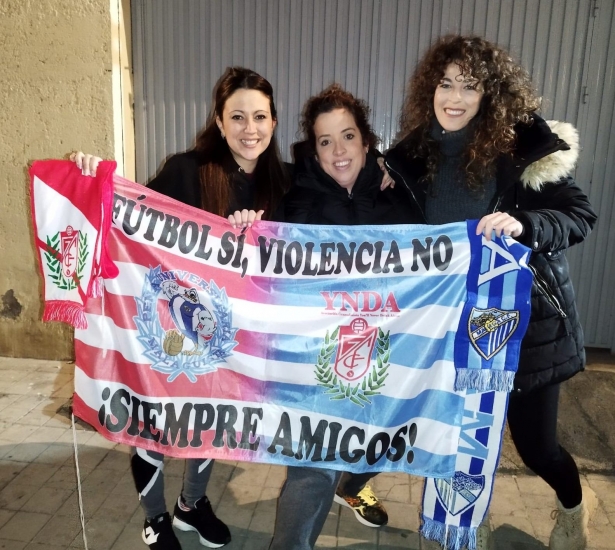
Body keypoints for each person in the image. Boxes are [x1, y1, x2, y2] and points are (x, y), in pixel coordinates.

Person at [384, 35, 598, 550]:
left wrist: (524, 224)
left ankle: (574, 510)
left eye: (470, 86)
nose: (454, 97)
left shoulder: (522, 150)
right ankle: (463, 525)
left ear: (490, 94)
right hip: (449, 330)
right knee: (453, 439)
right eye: (446, 83)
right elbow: (390, 240)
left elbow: (577, 215)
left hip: (523, 327)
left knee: (537, 447)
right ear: (429, 89)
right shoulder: (411, 159)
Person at [71, 66, 291, 550]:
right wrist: (92, 177)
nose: (249, 128)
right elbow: (125, 216)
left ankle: (191, 505)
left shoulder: (284, 182)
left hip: (232, 337)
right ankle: (155, 518)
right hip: (168, 327)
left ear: (274, 122)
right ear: (218, 119)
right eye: (237, 116)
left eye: (259, 117)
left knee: (210, 420)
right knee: (153, 423)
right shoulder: (184, 170)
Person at [267, 84, 415, 550]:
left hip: (389, 348)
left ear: (367, 142)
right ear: (314, 149)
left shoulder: (402, 191)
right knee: (312, 471)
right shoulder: (296, 194)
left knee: (396, 431)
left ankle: (353, 486)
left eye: (347, 136)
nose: (338, 150)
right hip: (321, 355)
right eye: (325, 140)